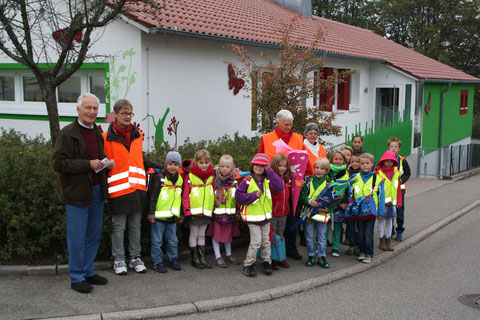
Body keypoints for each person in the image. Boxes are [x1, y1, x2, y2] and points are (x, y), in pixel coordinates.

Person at [52, 93, 115, 294]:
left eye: (95, 108)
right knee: (77, 237)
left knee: (93, 234)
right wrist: (87, 164)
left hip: (96, 191)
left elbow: (98, 157)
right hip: (76, 193)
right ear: (78, 110)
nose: (92, 112)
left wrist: (106, 163)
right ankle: (76, 277)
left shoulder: (96, 131)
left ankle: (88, 271)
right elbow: (58, 163)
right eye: (88, 108)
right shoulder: (67, 133)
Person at [102, 99, 162, 276]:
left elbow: (140, 160)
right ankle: (119, 259)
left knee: (136, 226)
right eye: (124, 113)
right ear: (116, 114)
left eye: (130, 113)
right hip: (118, 191)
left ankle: (135, 257)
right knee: (119, 227)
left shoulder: (138, 135)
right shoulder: (106, 138)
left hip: (137, 189)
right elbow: (102, 164)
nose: (128, 116)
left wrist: (161, 167)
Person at [258, 110, 311, 261]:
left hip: (293, 187)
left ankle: (290, 249)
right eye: (286, 124)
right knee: (274, 222)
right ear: (278, 122)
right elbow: (259, 159)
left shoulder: (299, 138)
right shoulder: (267, 138)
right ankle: (273, 254)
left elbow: (305, 161)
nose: (289, 127)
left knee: (291, 220)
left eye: (291, 124)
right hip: (273, 188)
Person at [235, 153, 284, 277]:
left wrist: (270, 170)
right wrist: (253, 195)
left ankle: (267, 261)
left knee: (266, 241)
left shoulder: (268, 180)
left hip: (265, 217)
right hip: (252, 218)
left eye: (262, 165)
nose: (259, 167)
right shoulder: (247, 181)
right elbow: (238, 196)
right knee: (256, 242)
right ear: (252, 165)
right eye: (257, 164)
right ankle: (248, 264)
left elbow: (280, 186)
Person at [147, 151, 183, 273]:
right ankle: (157, 262)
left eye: (176, 164)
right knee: (157, 241)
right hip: (158, 218)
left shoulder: (180, 180)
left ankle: (173, 259)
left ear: (179, 166)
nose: (173, 167)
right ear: (166, 164)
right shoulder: (159, 178)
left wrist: (180, 214)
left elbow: (180, 198)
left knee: (173, 241)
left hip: (172, 217)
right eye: (170, 164)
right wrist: (151, 214)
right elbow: (153, 197)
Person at [349, 153, 385, 264]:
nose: (365, 166)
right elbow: (351, 193)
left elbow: (381, 196)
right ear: (359, 165)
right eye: (362, 163)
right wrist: (351, 207)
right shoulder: (355, 177)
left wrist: (381, 211)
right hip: (358, 210)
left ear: (372, 164)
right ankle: (362, 251)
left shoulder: (377, 179)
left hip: (371, 210)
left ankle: (369, 253)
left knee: (368, 233)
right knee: (360, 232)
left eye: (367, 163)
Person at [206, 155, 241, 268]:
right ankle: (217, 256)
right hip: (217, 213)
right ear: (218, 166)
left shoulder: (235, 180)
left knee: (228, 235)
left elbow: (238, 196)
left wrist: (238, 210)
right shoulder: (214, 180)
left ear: (232, 167)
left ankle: (229, 254)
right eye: (222, 166)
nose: (224, 169)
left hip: (230, 213)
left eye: (227, 166)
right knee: (216, 235)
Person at [183, 149, 215, 269]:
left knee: (202, 235)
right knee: (194, 234)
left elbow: (212, 193)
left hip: (206, 211)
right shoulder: (190, 176)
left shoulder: (211, 177)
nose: (204, 165)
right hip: (194, 212)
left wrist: (212, 209)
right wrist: (187, 211)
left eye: (206, 162)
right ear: (196, 163)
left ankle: (202, 257)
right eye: (201, 162)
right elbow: (186, 195)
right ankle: (194, 258)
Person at [299, 158, 331, 268]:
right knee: (309, 236)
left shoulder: (330, 183)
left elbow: (334, 200)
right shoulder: (307, 181)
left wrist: (329, 210)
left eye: (322, 169)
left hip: (322, 214)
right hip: (309, 213)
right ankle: (311, 255)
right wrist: (308, 201)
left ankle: (322, 257)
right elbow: (302, 196)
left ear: (326, 171)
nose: (318, 170)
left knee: (322, 237)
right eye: (317, 168)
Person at [375, 150, 401, 251]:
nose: (389, 163)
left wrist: (399, 201)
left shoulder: (397, 173)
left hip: (392, 203)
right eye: (387, 161)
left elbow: (398, 188)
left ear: (394, 162)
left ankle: (388, 240)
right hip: (382, 203)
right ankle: (382, 241)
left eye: (391, 161)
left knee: (390, 222)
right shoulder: (378, 174)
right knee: (381, 221)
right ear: (383, 161)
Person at [270, 154, 292, 269]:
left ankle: (281, 257)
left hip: (284, 213)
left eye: (284, 166)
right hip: (273, 213)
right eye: (280, 165)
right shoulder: (272, 180)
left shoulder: (286, 179)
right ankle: (272, 259)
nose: (282, 168)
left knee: (280, 235)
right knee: (272, 237)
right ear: (274, 166)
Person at [387, 137, 411, 242]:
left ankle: (399, 231)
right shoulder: (385, 160)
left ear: (399, 148)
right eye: (391, 146)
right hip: (389, 191)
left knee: (399, 212)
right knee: (389, 211)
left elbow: (407, 173)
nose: (393, 148)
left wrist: (401, 180)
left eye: (395, 147)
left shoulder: (402, 160)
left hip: (399, 191)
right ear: (388, 147)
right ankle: (390, 229)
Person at [326, 150, 349, 257]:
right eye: (336, 159)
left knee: (337, 226)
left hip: (339, 203)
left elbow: (349, 189)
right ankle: (324, 244)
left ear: (344, 161)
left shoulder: (346, 174)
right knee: (324, 224)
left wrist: (344, 201)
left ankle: (335, 247)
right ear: (331, 160)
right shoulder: (327, 171)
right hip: (326, 202)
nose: (338, 161)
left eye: (340, 159)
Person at [345, 150, 361, 256]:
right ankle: (351, 244)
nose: (355, 164)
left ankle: (359, 245)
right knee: (350, 226)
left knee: (360, 226)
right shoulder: (347, 173)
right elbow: (344, 189)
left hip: (360, 204)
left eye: (357, 161)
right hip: (350, 204)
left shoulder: (363, 173)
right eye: (353, 161)